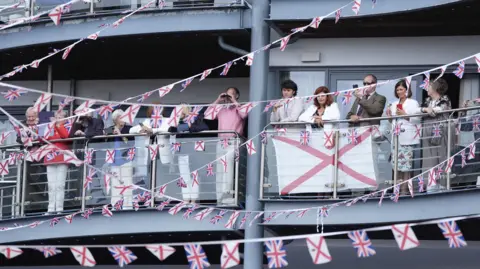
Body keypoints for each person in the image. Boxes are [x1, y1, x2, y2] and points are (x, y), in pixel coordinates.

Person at [416, 78, 452, 192]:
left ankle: (442, 184)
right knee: (428, 157)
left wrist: (428, 111)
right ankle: (430, 184)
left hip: (441, 131)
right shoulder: (427, 101)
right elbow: (417, 111)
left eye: (429, 86)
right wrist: (425, 109)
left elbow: (438, 111)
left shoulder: (445, 100)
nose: (427, 88)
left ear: (435, 88)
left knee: (441, 156)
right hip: (427, 131)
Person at [212, 87, 247, 205]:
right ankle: (220, 198)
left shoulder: (239, 108)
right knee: (220, 169)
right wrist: (218, 100)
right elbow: (208, 115)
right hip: (221, 142)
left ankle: (229, 195)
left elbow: (245, 114)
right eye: (227, 95)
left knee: (229, 167)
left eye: (231, 94)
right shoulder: (221, 109)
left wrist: (235, 102)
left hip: (233, 142)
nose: (228, 97)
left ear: (236, 96)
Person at [386, 80, 420, 194]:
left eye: (401, 89)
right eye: (397, 90)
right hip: (395, 138)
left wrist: (405, 115)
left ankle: (404, 191)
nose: (399, 91)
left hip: (407, 138)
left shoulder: (412, 102)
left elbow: (417, 119)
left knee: (406, 167)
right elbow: (392, 121)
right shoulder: (394, 103)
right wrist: (389, 116)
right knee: (396, 166)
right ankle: (396, 191)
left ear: (407, 90)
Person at [105, 109, 134, 209]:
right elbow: (104, 142)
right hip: (114, 162)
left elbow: (130, 144)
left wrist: (121, 135)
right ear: (115, 119)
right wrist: (107, 135)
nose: (124, 119)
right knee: (115, 186)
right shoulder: (110, 129)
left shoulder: (129, 129)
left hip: (126, 161)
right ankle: (115, 206)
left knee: (127, 185)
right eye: (121, 117)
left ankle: (128, 206)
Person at [43, 110, 70, 214]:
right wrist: (52, 126)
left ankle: (59, 208)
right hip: (50, 157)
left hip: (62, 157)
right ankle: (50, 208)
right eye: (57, 115)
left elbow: (66, 137)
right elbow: (45, 138)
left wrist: (58, 125)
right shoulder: (50, 126)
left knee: (60, 184)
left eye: (61, 116)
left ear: (65, 117)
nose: (58, 117)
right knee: (51, 185)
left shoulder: (68, 125)